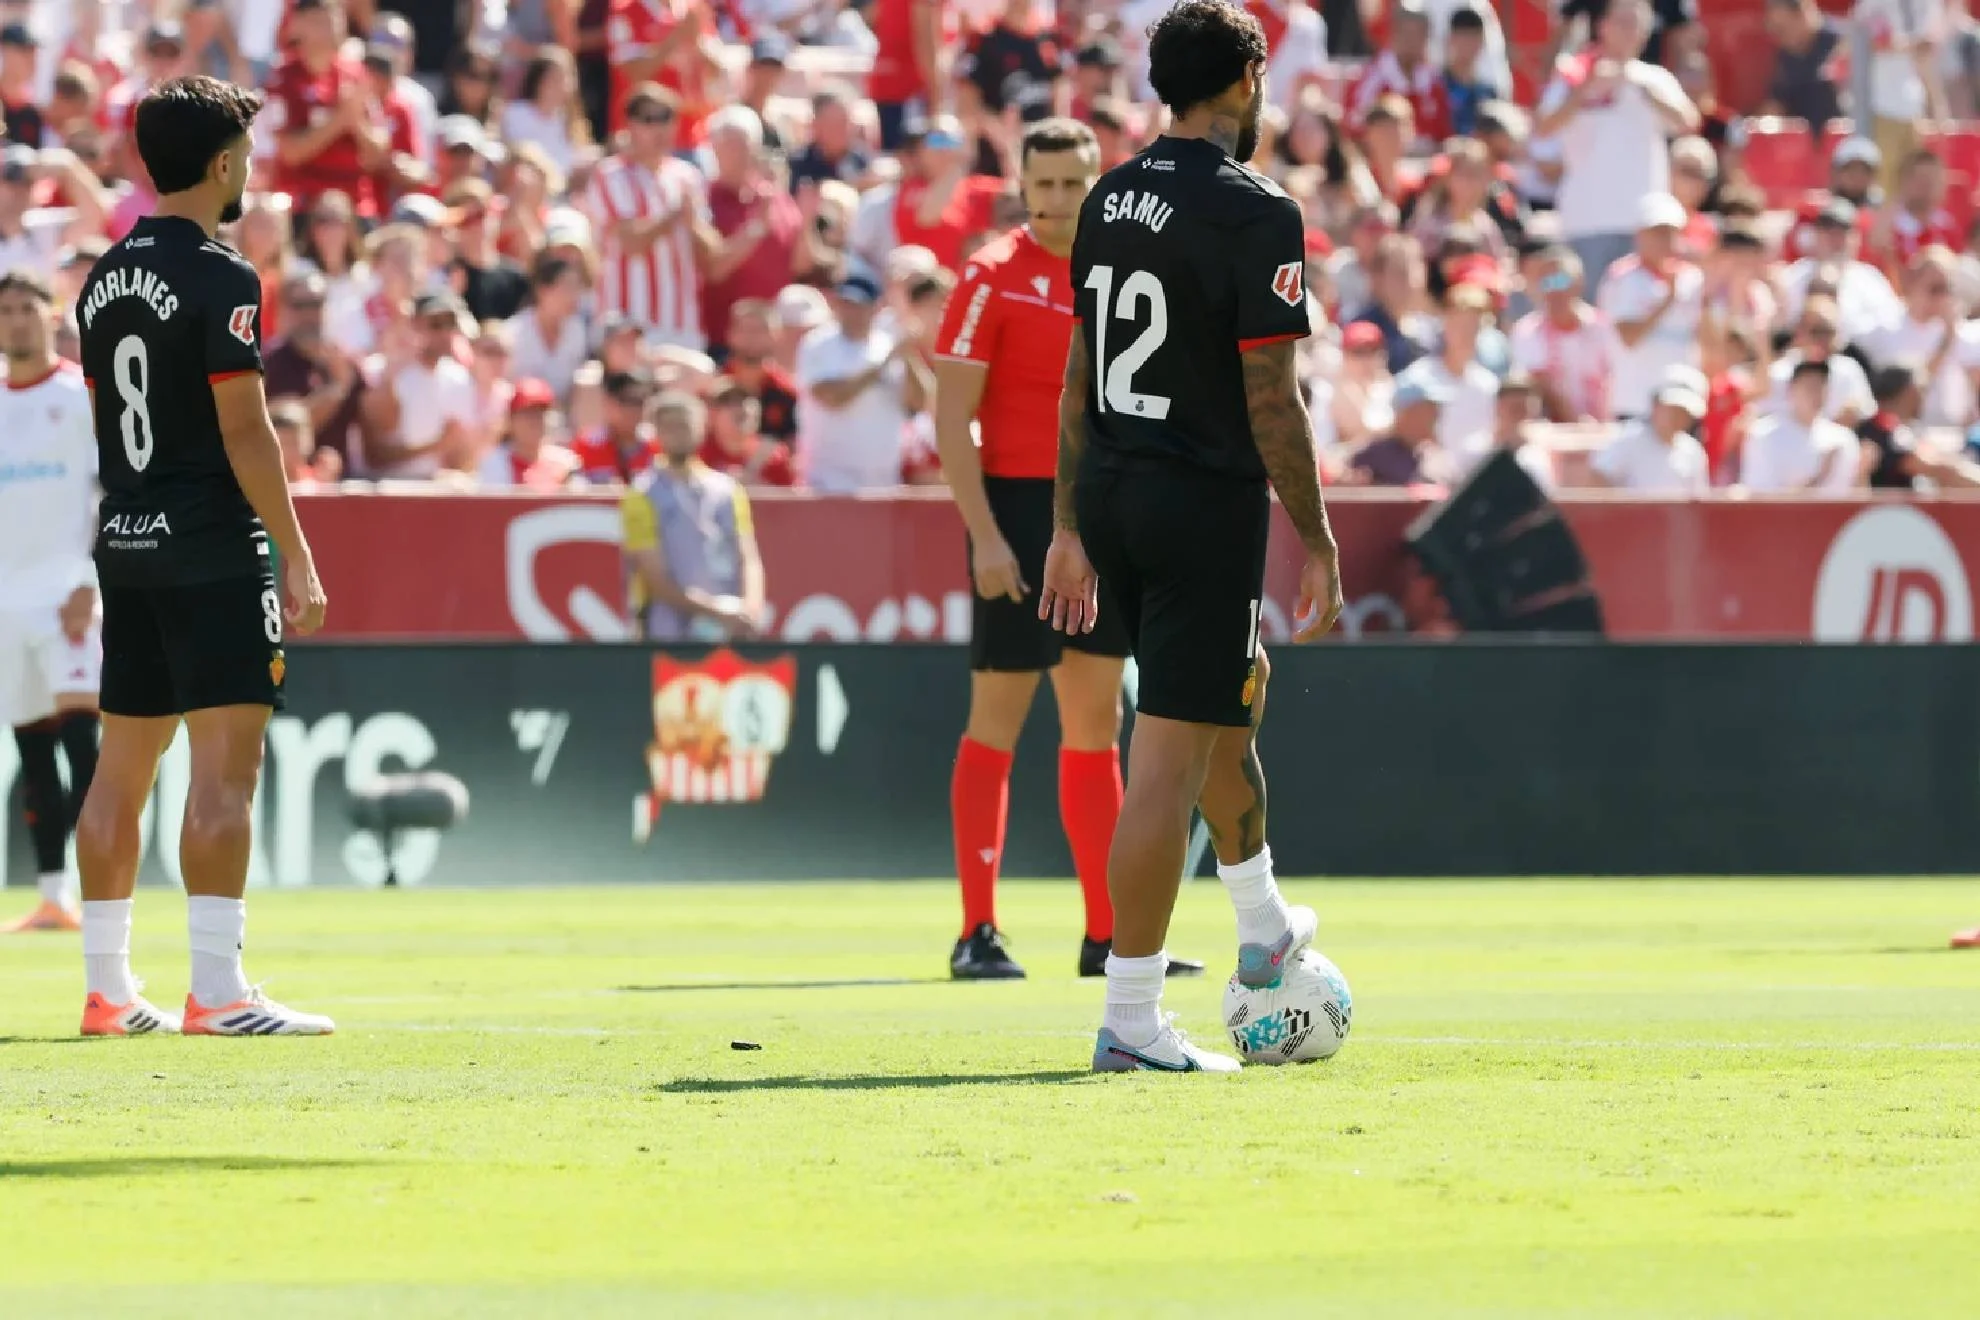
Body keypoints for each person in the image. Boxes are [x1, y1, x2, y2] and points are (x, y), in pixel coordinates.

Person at [1039, 0, 1343, 1074]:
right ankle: (1129, 1018)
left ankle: (1262, 925)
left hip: (1113, 492)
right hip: (1199, 503)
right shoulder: (1257, 211)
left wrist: (1069, 523)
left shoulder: (1110, 195)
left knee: (1227, 699)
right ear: (1247, 82)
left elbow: (1080, 370)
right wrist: (1316, 535)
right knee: (1162, 763)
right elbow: (1273, 402)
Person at [73, 75, 331, 1037]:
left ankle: (108, 990)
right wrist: (294, 549)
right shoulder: (223, 276)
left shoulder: (102, 279)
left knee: (121, 768)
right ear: (224, 163)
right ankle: (218, 992)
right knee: (228, 772)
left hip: (129, 539)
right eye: (248, 157)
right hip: (212, 545)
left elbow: (110, 420)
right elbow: (248, 432)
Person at [931, 118, 1205, 983]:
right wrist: (983, 535)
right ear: (1021, 183)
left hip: (1097, 511)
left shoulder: (1119, 268)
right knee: (998, 724)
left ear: (1097, 180)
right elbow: (951, 420)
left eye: (1073, 183)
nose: (1057, 200)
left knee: (1095, 727)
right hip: (1015, 509)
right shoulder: (989, 276)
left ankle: (1106, 936)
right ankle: (977, 931)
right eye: (1042, 184)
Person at [0, 273, 99, 934]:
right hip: (8, 598)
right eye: (4, 311)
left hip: (68, 590)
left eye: (26, 309)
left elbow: (107, 490)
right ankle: (53, 895)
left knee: (83, 741)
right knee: (32, 749)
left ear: (51, 315)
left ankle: (104, 888)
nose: (15, 321)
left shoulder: (80, 396)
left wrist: (91, 580)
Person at [619, 390, 765, 643]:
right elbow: (655, 579)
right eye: (669, 426)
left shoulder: (728, 490)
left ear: (701, 426)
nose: (677, 432)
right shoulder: (639, 495)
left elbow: (748, 557)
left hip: (729, 631)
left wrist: (749, 609)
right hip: (667, 634)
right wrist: (716, 612)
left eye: (684, 424)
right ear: (656, 431)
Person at [1742, 358, 1861, 492]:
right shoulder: (1763, 435)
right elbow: (1761, 497)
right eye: (1810, 386)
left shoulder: (1844, 438)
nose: (1816, 394)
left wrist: (1863, 472)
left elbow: (1856, 494)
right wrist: (1818, 477)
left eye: (1821, 386)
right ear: (1791, 389)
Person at [1588, 369, 1712, 493]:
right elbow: (1598, 478)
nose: (1676, 417)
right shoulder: (1628, 440)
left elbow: (1698, 499)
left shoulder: (1693, 451)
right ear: (1656, 406)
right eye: (1671, 409)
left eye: (1683, 412)